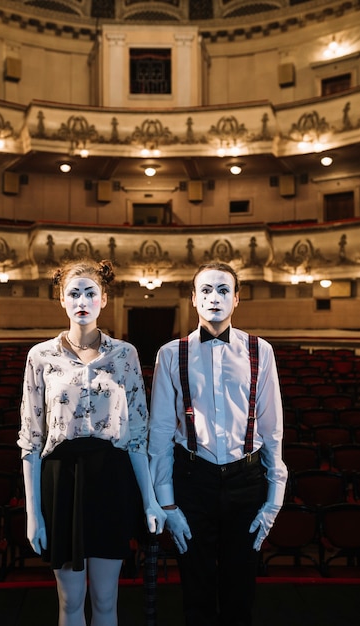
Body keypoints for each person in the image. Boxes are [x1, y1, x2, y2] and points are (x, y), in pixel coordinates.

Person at [17, 257, 166, 626]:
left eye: (90, 293)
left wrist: (150, 501)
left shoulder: (125, 355)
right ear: (62, 300)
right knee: (69, 602)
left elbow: (137, 438)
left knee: (105, 599)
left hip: (110, 478)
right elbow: (31, 441)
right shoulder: (40, 356)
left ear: (103, 299)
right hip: (61, 478)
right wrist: (33, 514)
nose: (82, 300)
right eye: (74, 293)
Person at [148, 261, 288, 626]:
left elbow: (272, 430)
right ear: (193, 299)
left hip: (247, 481)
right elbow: (160, 434)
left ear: (237, 299)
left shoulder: (261, 351)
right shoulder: (169, 353)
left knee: (240, 590)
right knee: (195, 591)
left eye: (223, 290)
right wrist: (167, 503)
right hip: (192, 481)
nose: (214, 297)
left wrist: (275, 497)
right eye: (206, 290)